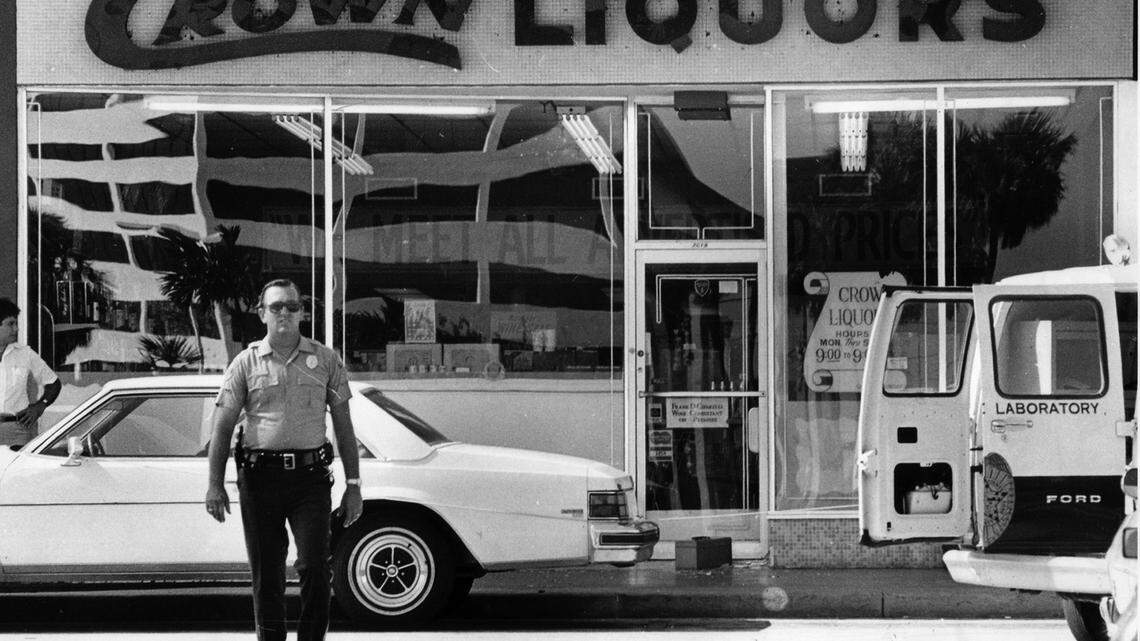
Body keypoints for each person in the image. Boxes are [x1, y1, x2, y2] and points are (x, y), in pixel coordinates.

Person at [205, 279, 363, 641]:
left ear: (302, 312)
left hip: (310, 480)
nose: (285, 313)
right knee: (267, 574)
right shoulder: (245, 363)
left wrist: (353, 485)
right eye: (276, 306)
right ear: (262, 313)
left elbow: (343, 426)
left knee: (315, 567)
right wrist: (214, 484)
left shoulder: (326, 360)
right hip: (260, 481)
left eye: (292, 306)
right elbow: (222, 427)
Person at [0, 298, 61, 447]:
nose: (16, 329)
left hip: (16, 431)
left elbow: (54, 383)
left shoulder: (25, 354)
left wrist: (40, 406)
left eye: (16, 324)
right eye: (10, 324)